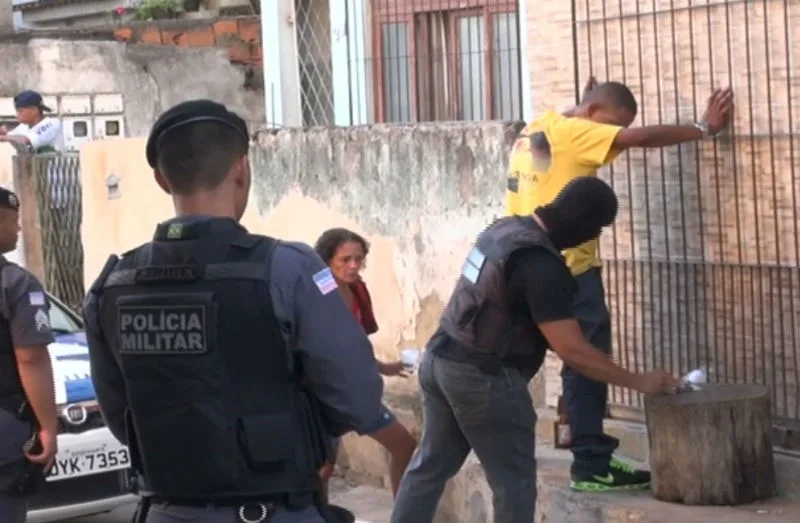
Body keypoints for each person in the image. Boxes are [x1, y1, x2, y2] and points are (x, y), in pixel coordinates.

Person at [82, 100, 392, 523]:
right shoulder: (289, 269)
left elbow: (123, 420)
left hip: (166, 510)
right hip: (271, 508)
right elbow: (357, 396)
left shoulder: (112, 285)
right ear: (242, 169)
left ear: (160, 178)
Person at [390, 177, 681, 523]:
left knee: (429, 467)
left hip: (440, 358)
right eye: (598, 227)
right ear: (582, 220)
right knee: (514, 482)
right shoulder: (541, 266)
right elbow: (573, 351)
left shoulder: (504, 230)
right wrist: (638, 381)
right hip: (483, 378)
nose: (595, 237)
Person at [505, 79, 734, 492]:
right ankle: (593, 465)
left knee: (535, 359)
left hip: (523, 261)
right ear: (593, 112)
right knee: (587, 361)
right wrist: (703, 129)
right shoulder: (578, 132)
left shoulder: (539, 126)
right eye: (611, 125)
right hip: (570, 268)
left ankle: (562, 442)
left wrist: (586, 104)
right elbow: (639, 137)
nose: (613, 138)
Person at [314, 228, 417, 498]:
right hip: (322, 394)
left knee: (404, 445)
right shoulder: (315, 292)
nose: (354, 266)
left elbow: (357, 343)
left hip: (356, 393)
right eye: (345, 259)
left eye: (359, 259)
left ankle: (403, 515)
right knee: (322, 468)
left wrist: (384, 367)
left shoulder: (358, 289)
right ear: (327, 260)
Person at [0, 187, 58, 523]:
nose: (19, 229)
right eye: (13, 220)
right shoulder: (15, 284)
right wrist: (48, 427)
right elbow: (31, 359)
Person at [0, 91, 65, 154]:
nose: (16, 114)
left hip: (54, 165)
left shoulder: (52, 124)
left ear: (34, 110)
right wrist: (3, 133)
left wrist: (5, 137)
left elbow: (26, 141)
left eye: (20, 111)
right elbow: (12, 137)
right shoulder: (24, 127)